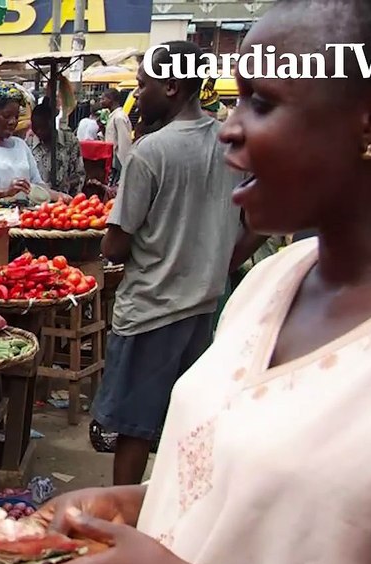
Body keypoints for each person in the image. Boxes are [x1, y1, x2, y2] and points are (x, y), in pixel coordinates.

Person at [29, 3, 371, 564]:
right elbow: (266, 501)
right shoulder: (271, 282)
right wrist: (138, 506)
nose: (228, 128)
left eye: (263, 102)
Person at [89, 41, 251, 489]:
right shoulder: (230, 142)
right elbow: (259, 220)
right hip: (204, 307)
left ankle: (122, 515)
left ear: (173, 86)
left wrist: (112, 233)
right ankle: (176, 508)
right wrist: (223, 261)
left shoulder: (150, 152)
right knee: (187, 423)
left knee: (134, 427)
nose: (137, 94)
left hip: (151, 310)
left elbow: (115, 246)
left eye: (143, 85)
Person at [28, 102, 86, 196]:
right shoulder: (28, 144)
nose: (39, 131)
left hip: (65, 199)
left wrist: (67, 185)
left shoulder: (70, 141)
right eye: (35, 127)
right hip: (37, 199)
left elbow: (79, 174)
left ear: (52, 123)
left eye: (43, 127)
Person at [101, 88, 133, 181]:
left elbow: (124, 143)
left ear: (110, 99)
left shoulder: (119, 117)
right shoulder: (113, 116)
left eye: (103, 99)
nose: (101, 102)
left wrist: (124, 166)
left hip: (118, 163)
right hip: (112, 161)